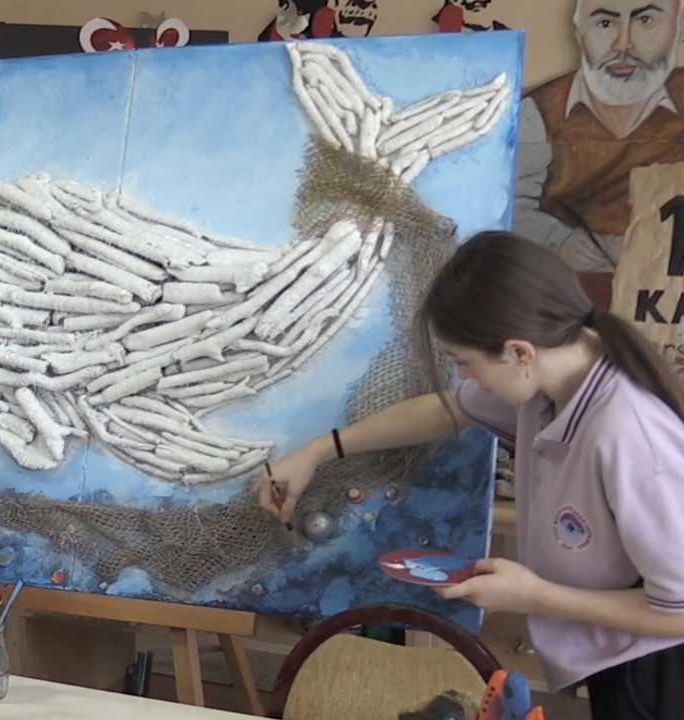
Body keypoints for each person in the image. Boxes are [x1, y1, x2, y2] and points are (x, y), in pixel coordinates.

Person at [258, 230, 684, 719]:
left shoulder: (632, 436)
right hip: (624, 661)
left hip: (663, 672)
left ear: (520, 352)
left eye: (466, 362)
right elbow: (447, 411)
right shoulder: (550, 384)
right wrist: (319, 450)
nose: (465, 376)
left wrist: (533, 595)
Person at [514, 0, 684, 272]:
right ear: (580, 30)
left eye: (645, 21)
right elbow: (507, 207)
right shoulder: (540, 111)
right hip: (572, 282)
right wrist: (560, 241)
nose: (623, 45)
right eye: (605, 23)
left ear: (678, 27)